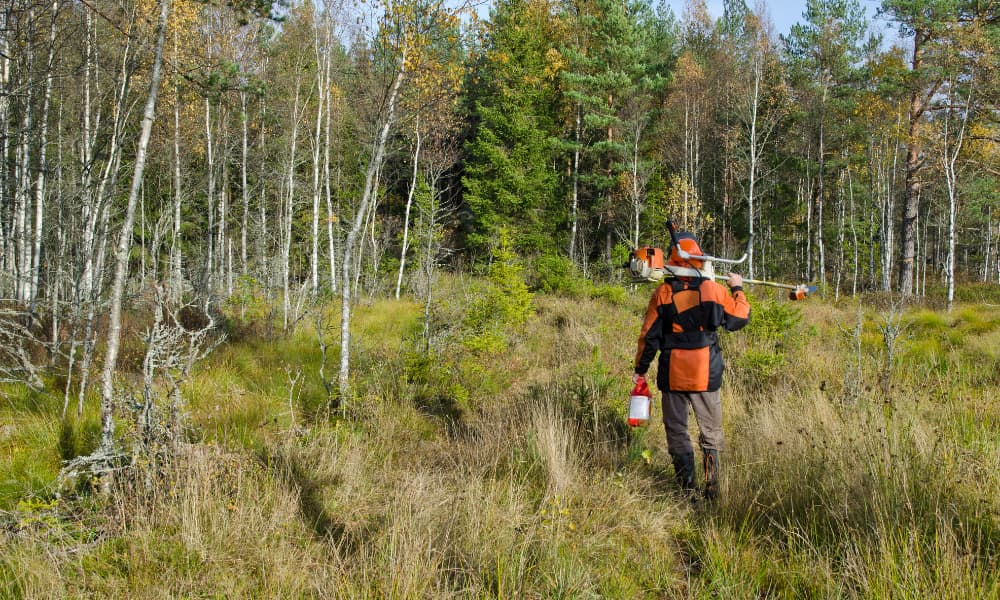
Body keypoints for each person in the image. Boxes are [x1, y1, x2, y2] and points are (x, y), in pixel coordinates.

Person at [632, 232, 750, 501]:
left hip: (673, 373)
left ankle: (687, 489)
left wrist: (640, 368)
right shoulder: (714, 290)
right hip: (705, 372)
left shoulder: (662, 293)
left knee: (677, 431)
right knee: (711, 432)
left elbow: (648, 336)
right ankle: (712, 487)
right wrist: (738, 288)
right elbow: (739, 318)